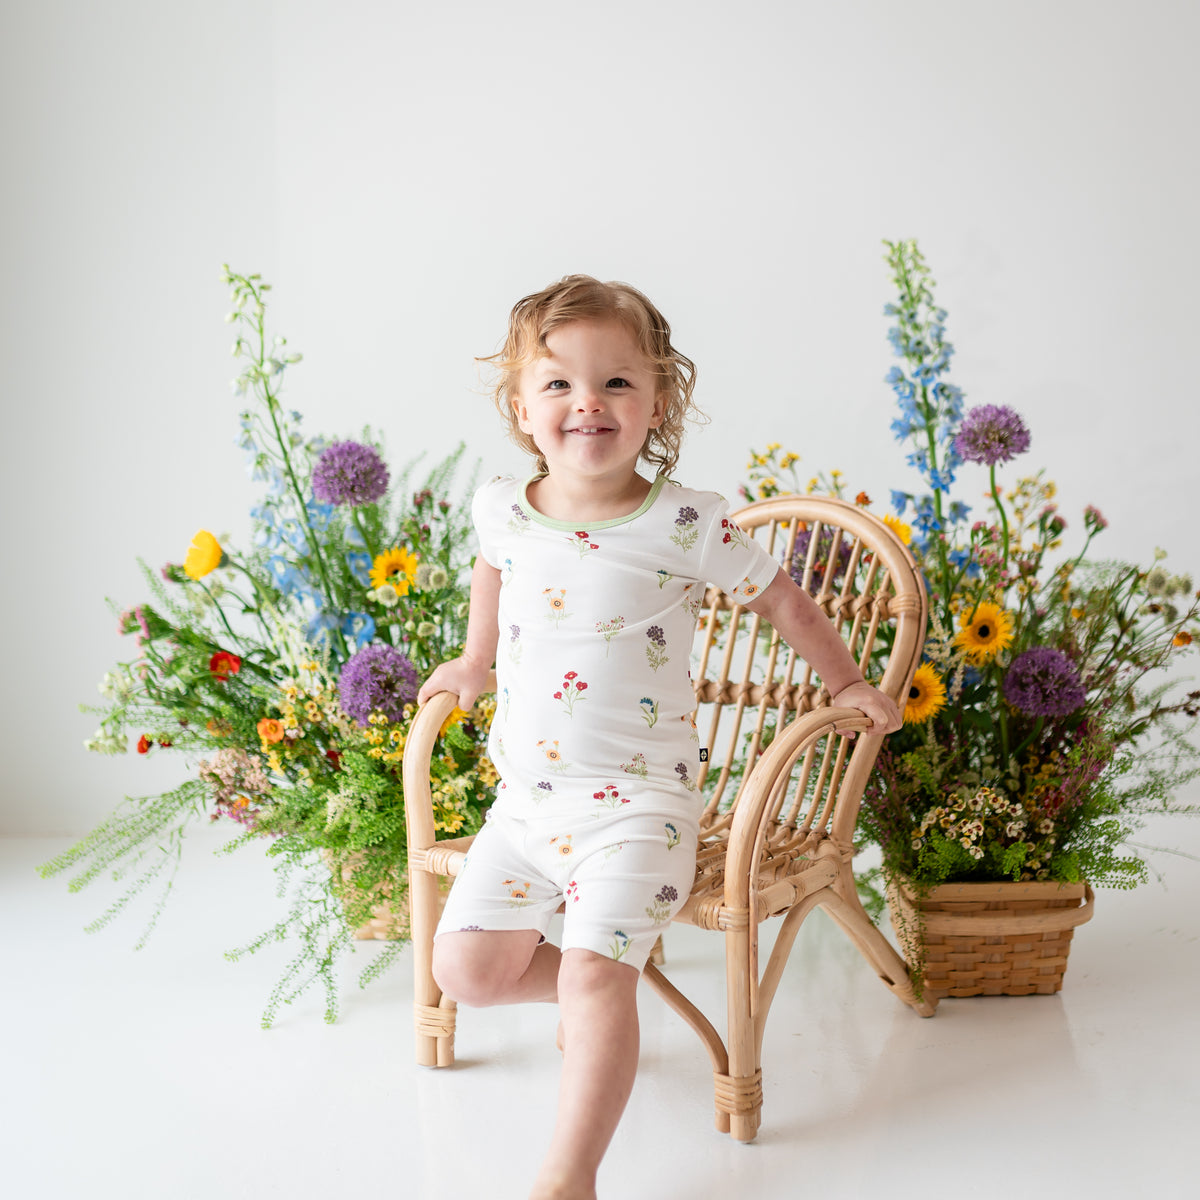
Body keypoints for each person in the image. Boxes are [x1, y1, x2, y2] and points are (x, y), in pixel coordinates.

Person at [416, 274, 902, 1199]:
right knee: (466, 970)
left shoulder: (685, 522)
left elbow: (784, 603)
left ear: (658, 403)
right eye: (558, 384)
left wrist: (846, 680)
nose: (588, 403)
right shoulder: (502, 507)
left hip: (639, 811)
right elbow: (491, 571)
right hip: (526, 807)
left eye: (617, 382)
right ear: (521, 408)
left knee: (593, 978)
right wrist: (475, 662)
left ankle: (571, 1171)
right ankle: (600, 981)